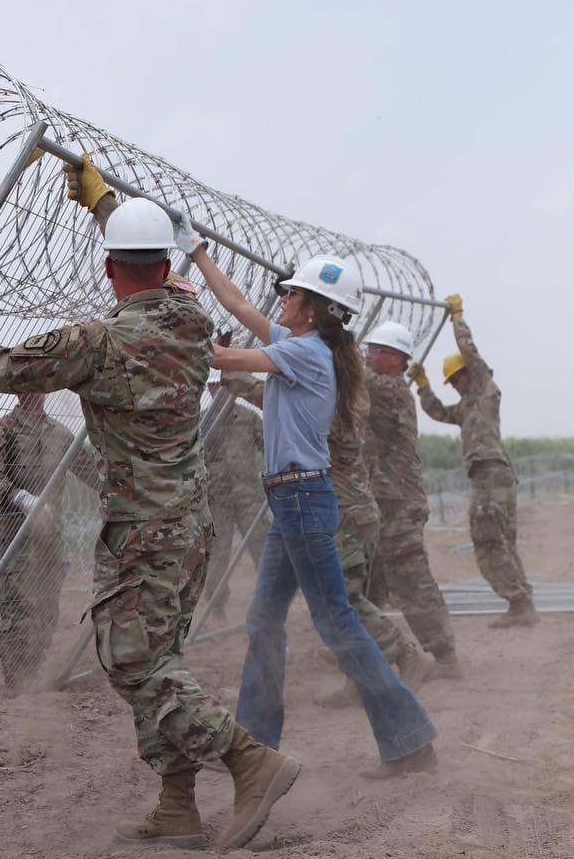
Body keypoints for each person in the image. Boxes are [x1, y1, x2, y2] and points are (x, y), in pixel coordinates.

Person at [0, 155, 298, 851]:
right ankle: (177, 808)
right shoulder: (188, 318)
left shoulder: (98, 343)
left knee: (132, 663)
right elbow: (154, 269)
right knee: (164, 658)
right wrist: (106, 203)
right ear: (160, 263)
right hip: (190, 525)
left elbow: (0, 368)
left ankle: (249, 760)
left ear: (105, 268)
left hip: (141, 532)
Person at [185, 224, 440, 780]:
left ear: (313, 308)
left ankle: (410, 740)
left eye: (291, 293)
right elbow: (239, 305)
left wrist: (171, 315)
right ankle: (256, 749)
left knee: (338, 623)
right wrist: (196, 252)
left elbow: (223, 358)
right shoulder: (304, 342)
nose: (283, 298)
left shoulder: (305, 354)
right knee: (265, 621)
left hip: (301, 497)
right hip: (292, 499)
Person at [218, 369, 436, 706]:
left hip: (344, 513)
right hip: (344, 509)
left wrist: (234, 375)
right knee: (335, 600)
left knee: (342, 599)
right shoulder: (348, 397)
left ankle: (406, 654)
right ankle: (359, 680)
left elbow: (275, 401)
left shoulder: (330, 407)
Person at [410, 295, 537, 628]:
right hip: (490, 475)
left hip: (491, 473)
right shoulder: (467, 406)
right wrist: (422, 385)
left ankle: (519, 602)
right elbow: (438, 412)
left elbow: (471, 353)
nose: (454, 386)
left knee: (487, 539)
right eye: (450, 383)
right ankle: (522, 603)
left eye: (455, 379)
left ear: (469, 374)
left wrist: (457, 319)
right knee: (501, 539)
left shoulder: (484, 389)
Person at [362, 321, 461, 677]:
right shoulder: (378, 385)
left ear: (396, 359)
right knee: (368, 584)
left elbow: (347, 375)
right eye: (369, 349)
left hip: (398, 504)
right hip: (380, 501)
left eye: (377, 351)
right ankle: (367, 652)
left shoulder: (386, 388)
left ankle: (445, 657)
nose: (369, 356)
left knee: (411, 581)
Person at [0, 393, 93, 693]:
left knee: (46, 608)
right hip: (16, 537)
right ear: (18, 392)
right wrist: (21, 498)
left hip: (49, 538)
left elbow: (90, 471)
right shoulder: (3, 431)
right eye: (26, 387)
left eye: (38, 387)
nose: (33, 393)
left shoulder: (60, 435)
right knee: (19, 609)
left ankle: (35, 671)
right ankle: (17, 682)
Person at [202, 379, 268, 619]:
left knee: (262, 545)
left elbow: (269, 445)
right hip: (216, 498)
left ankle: (270, 600)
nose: (216, 391)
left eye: (221, 385)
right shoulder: (201, 421)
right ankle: (217, 606)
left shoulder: (248, 417)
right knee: (218, 552)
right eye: (211, 386)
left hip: (248, 494)